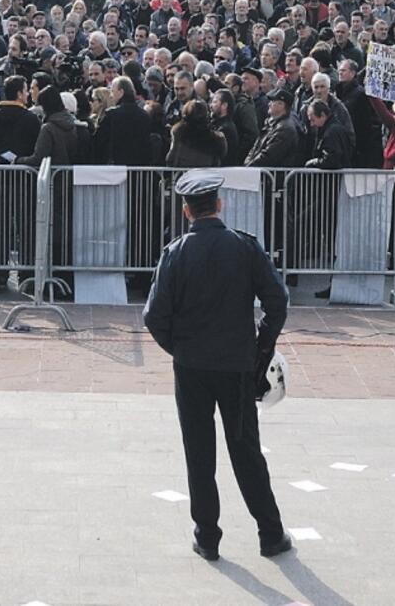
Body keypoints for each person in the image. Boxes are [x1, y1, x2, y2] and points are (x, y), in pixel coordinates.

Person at [143, 169, 291, 563]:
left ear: (186, 211)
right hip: (238, 364)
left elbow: (153, 316)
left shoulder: (176, 253)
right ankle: (270, 533)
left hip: (192, 366)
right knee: (246, 450)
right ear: (218, 205)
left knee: (199, 452)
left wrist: (179, 347)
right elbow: (277, 302)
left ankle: (207, 536)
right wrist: (262, 349)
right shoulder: (244, 248)